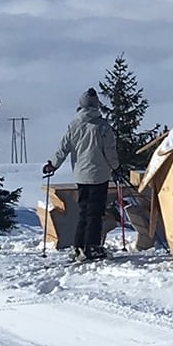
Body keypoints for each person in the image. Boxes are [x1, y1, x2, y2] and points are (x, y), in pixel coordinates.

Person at [43, 87, 121, 262]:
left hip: (80, 175)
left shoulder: (74, 125)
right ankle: (92, 246)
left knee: (84, 211)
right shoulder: (102, 127)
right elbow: (109, 151)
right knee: (95, 212)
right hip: (99, 175)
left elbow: (63, 148)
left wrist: (53, 165)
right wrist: (116, 166)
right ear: (96, 105)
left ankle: (78, 246)